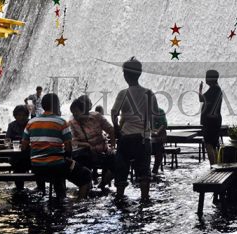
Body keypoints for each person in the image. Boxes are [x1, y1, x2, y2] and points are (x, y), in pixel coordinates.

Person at [21, 93, 92, 199]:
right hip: (56, 167)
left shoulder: (31, 122)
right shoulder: (62, 122)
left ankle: (60, 195)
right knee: (86, 174)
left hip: (36, 167)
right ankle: (79, 204)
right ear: (55, 106)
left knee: (61, 170)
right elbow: (68, 149)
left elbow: (23, 147)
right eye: (58, 104)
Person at [111, 57, 158, 201]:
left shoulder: (123, 93)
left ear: (125, 75)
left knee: (121, 169)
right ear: (140, 73)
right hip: (144, 139)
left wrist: (118, 129)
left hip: (126, 138)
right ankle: (144, 199)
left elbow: (114, 114)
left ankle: (119, 197)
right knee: (144, 172)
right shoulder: (149, 93)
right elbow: (154, 115)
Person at [69, 95, 115, 190]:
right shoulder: (72, 122)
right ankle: (87, 184)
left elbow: (111, 130)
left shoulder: (97, 117)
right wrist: (86, 145)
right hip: (85, 153)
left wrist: (113, 147)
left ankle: (102, 185)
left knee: (118, 162)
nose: (74, 116)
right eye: (73, 113)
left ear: (84, 111)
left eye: (77, 113)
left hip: (102, 151)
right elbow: (72, 141)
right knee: (78, 163)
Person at [199, 69, 222, 165]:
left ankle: (213, 166)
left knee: (208, 144)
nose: (205, 79)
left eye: (207, 77)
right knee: (213, 144)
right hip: (214, 120)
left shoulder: (214, 89)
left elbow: (201, 99)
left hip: (210, 121)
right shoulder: (216, 89)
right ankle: (216, 165)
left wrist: (200, 89)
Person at [151, 107, 167, 174]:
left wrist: (157, 132)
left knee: (159, 149)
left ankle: (155, 169)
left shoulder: (160, 111)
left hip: (158, 136)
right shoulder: (142, 110)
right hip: (148, 135)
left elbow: (164, 124)